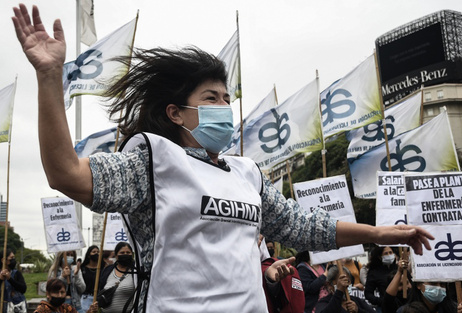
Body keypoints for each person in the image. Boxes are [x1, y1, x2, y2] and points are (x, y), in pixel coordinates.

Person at [12, 4, 434, 312]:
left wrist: (379, 234)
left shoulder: (246, 172)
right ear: (175, 113)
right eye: (210, 98)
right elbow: (66, 173)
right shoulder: (151, 160)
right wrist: (50, 77)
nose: (223, 107)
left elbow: (304, 226)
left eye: (226, 99)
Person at [98, 242, 135, 313]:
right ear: (116, 255)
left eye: (128, 252)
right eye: (122, 253)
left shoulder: (136, 271)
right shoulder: (108, 270)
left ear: (132, 254)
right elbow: (101, 290)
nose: (125, 255)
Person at [397, 281, 462, 313]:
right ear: (419, 285)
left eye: (442, 284)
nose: (438, 287)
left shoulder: (455, 309)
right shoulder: (405, 311)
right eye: (433, 283)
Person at [34, 278, 99, 313]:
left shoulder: (67, 308)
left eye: (62, 292)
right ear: (48, 294)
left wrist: (90, 311)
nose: (60, 295)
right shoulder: (42, 310)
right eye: (56, 292)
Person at [364, 246, 397, 312]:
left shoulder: (398, 269)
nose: (389, 255)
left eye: (390, 252)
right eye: (386, 253)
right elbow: (368, 293)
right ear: (380, 257)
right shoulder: (374, 272)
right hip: (384, 308)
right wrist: (381, 301)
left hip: (400, 306)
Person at [80, 246, 105, 312]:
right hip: (86, 298)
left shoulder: (103, 269)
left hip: (98, 298)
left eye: (98, 252)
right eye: (94, 252)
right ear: (88, 255)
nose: (96, 253)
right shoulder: (82, 269)